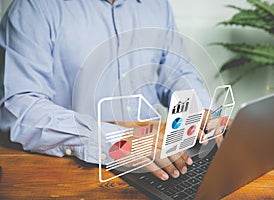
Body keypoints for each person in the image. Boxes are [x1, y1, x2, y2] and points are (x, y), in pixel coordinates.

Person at [0, 0, 212, 181]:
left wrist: (198, 111)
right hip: (74, 168)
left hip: (156, 160)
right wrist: (117, 140)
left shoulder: (157, 5)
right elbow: (20, 110)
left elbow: (176, 70)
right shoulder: (33, 8)